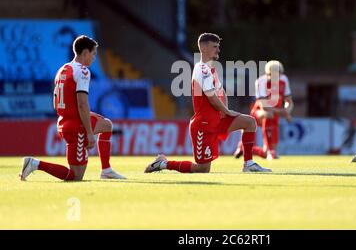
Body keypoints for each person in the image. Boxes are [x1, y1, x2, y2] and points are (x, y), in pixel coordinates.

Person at [144, 33, 271, 173]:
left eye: (218, 47)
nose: (218, 50)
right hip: (204, 124)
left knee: (249, 122)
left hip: (217, 119)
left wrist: (225, 111)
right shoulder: (201, 68)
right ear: (204, 48)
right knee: (202, 169)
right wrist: (227, 111)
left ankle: (249, 164)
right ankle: (163, 163)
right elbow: (211, 97)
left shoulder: (212, 70)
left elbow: (221, 93)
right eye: (215, 46)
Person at [20, 35, 126, 181]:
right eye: (93, 54)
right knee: (75, 176)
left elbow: (56, 100)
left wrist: (82, 115)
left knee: (106, 124)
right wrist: (89, 132)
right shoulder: (83, 71)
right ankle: (35, 164)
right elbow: (82, 103)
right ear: (85, 53)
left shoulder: (63, 69)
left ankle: (106, 170)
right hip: (76, 126)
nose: (94, 58)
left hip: (64, 121)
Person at [234, 60, 294, 160]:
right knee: (268, 114)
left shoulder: (284, 80)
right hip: (258, 112)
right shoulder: (261, 81)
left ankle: (250, 149)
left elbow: (289, 101)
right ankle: (270, 150)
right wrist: (284, 112)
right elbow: (264, 105)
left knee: (266, 153)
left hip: (275, 112)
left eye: (278, 74)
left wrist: (288, 110)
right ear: (267, 73)